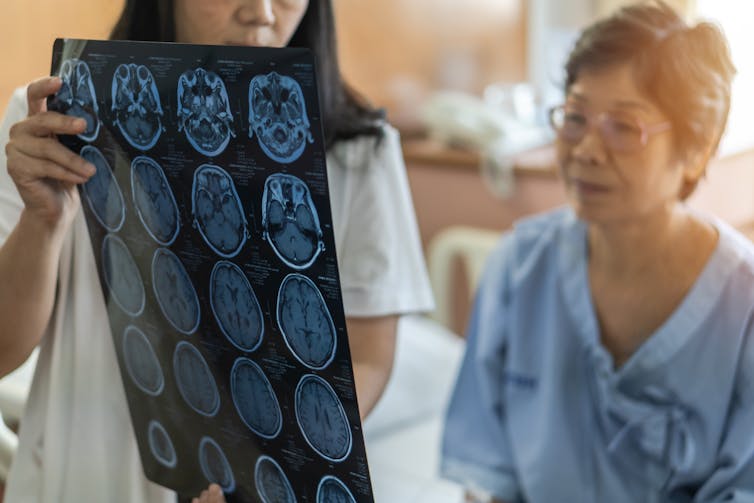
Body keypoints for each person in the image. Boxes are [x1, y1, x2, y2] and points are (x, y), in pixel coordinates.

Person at [0, 0, 434, 501]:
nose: (263, 13)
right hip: (82, 475)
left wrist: (282, 466)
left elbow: (369, 356)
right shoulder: (53, 130)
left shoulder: (360, 150)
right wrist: (44, 220)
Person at [440, 2, 754, 502]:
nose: (585, 149)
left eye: (623, 127)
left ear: (697, 147)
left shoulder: (744, 308)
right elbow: (488, 475)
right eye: (575, 117)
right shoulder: (518, 268)